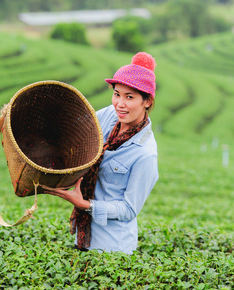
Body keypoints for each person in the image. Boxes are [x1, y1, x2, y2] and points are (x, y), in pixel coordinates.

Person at [44, 52, 159, 254]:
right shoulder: (109, 115)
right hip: (83, 236)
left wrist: (85, 204)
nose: (120, 104)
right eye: (117, 94)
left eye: (129, 97)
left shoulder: (145, 154)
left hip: (112, 247)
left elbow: (129, 209)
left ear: (147, 101)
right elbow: (75, 129)